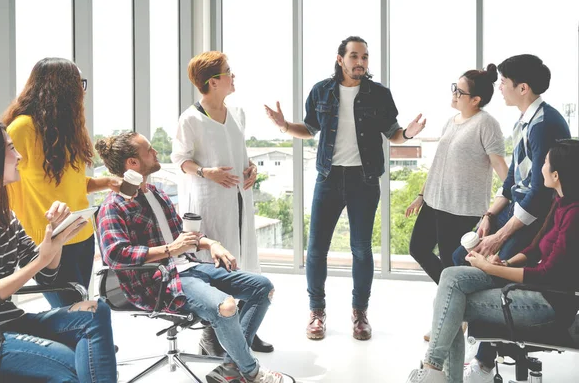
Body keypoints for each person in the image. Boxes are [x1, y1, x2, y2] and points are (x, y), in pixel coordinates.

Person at [95, 132, 293, 383]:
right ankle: (252, 373)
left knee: (262, 287)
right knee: (226, 306)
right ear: (132, 163)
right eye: (149, 150)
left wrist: (211, 243)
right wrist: (170, 251)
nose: (156, 153)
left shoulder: (155, 193)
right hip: (158, 280)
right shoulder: (113, 205)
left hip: (187, 268)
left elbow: (181, 235)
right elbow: (115, 254)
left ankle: (231, 368)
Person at [265, 36, 426, 341]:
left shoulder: (379, 94)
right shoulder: (321, 91)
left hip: (364, 180)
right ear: (340, 59)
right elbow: (310, 130)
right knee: (316, 250)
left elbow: (393, 133)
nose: (361, 62)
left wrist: (408, 133)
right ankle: (316, 312)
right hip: (328, 177)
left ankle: (360, 313)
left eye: (364, 56)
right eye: (354, 56)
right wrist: (284, 125)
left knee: (361, 250)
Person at [405, 139, 579, 383]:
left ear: (557, 174)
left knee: (452, 304)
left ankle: (435, 371)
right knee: (450, 276)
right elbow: (533, 250)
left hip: (548, 304)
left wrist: (488, 267)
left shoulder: (574, 215)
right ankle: (434, 370)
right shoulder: (559, 202)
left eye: (546, 162)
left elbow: (546, 275)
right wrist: (505, 264)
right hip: (533, 288)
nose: (541, 167)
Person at [449, 55, 571, 381]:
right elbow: (511, 182)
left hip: (535, 221)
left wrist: (500, 237)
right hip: (513, 211)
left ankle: (485, 360)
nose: (499, 87)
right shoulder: (525, 121)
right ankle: (469, 334)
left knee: (491, 266)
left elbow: (538, 195)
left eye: (503, 82)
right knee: (461, 256)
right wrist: (490, 216)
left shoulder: (545, 125)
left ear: (523, 87)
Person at [0, 119, 117, 382]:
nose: (18, 155)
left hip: (13, 322)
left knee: (96, 311)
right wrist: (41, 260)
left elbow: (47, 277)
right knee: (73, 367)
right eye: (10, 148)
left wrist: (56, 237)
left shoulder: (6, 215)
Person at [171, 50, 273, 354]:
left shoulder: (237, 112)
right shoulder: (190, 119)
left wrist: (252, 167)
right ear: (213, 81)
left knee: (245, 261)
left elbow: (238, 151)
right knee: (218, 266)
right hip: (209, 202)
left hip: (240, 199)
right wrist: (206, 172)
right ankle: (214, 337)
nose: (233, 76)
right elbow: (179, 159)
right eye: (228, 72)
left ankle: (246, 330)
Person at [1, 57, 121, 308]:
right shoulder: (22, 128)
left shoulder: (66, 130)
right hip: (47, 239)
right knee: (74, 311)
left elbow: (69, 184)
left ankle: (85, 347)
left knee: (80, 307)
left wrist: (104, 182)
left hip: (82, 234)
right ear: (65, 89)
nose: (83, 92)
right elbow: (0, 180)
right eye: (80, 84)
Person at [407, 64, 508, 286]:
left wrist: (513, 194)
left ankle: (459, 306)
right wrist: (421, 195)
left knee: (450, 261)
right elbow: (438, 164)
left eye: (460, 92)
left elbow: (499, 164)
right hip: (434, 202)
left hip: (459, 208)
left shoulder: (486, 123)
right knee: (418, 249)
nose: (454, 94)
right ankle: (453, 296)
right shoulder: (450, 122)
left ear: (476, 100)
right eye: (455, 88)